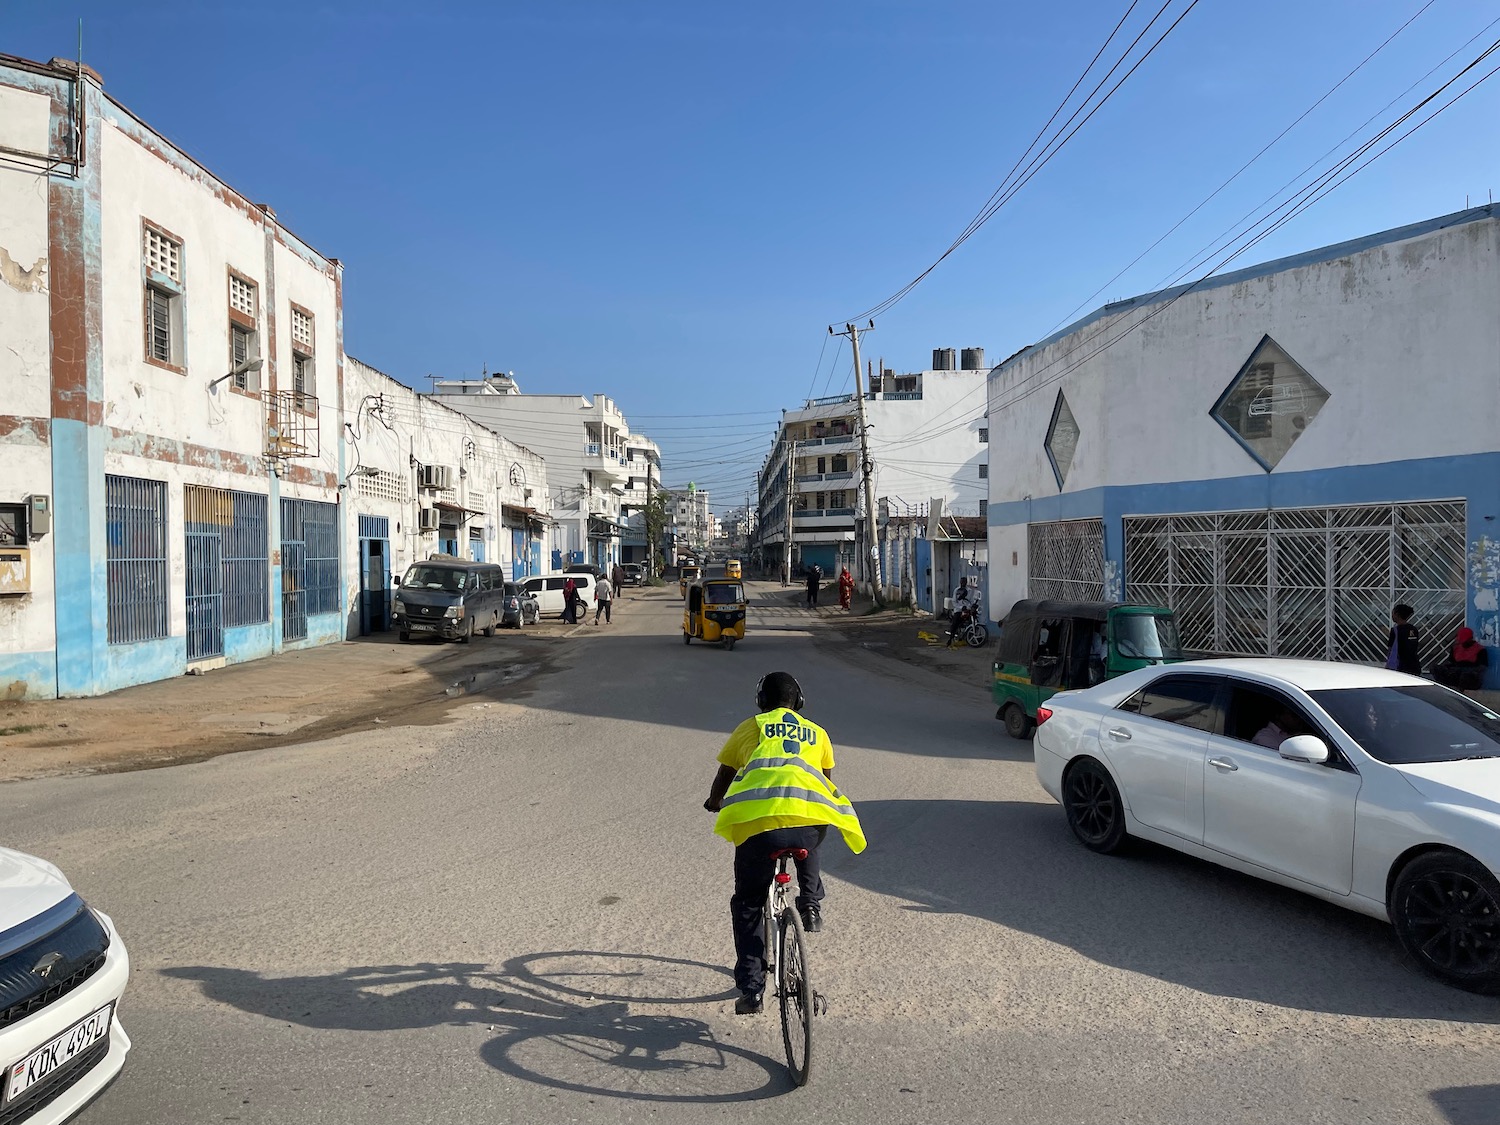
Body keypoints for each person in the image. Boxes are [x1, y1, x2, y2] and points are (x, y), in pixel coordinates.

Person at [703, 672, 866, 1015]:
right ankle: (810, 901)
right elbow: (822, 782)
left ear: (761, 702)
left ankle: (752, 990)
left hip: (761, 827)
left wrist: (715, 800)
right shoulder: (818, 733)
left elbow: (725, 773)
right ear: (800, 702)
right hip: (808, 825)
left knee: (748, 903)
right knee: (811, 826)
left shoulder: (753, 726)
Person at [1434, 627, 1489, 694]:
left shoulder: (1480, 650)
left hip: (1471, 677)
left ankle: (1459, 690)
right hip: (1456, 673)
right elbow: (1450, 662)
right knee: (1436, 668)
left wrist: (1468, 671)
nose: (1463, 643)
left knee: (1465, 675)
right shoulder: (1456, 648)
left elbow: (1483, 667)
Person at [1386, 604, 1423, 676]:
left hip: (1400, 666)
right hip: (1414, 664)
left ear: (1397, 614)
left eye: (1392, 613)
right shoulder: (1413, 629)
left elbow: (1391, 649)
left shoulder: (1395, 631)